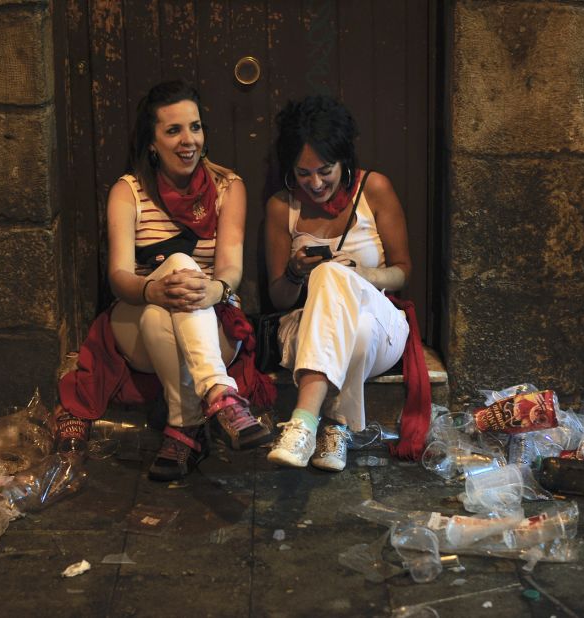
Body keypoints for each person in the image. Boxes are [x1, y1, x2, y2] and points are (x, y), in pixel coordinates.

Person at [51, 80, 274, 482]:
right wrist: (153, 289)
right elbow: (119, 277)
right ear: (152, 142)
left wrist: (215, 289)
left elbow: (230, 270)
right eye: (173, 130)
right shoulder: (128, 191)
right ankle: (220, 395)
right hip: (136, 313)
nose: (188, 140)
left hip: (212, 317)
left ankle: (186, 426)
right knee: (176, 265)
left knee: (164, 311)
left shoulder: (228, 187)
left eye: (195, 127)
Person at [263, 95, 415, 472]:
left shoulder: (375, 189)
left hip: (383, 326)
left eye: (325, 170)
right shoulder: (282, 207)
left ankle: (302, 422)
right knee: (353, 328)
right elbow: (279, 298)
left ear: (344, 159)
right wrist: (297, 273)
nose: (315, 183)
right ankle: (336, 430)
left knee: (333, 275)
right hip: (306, 332)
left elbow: (403, 270)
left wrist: (358, 277)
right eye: (303, 173)